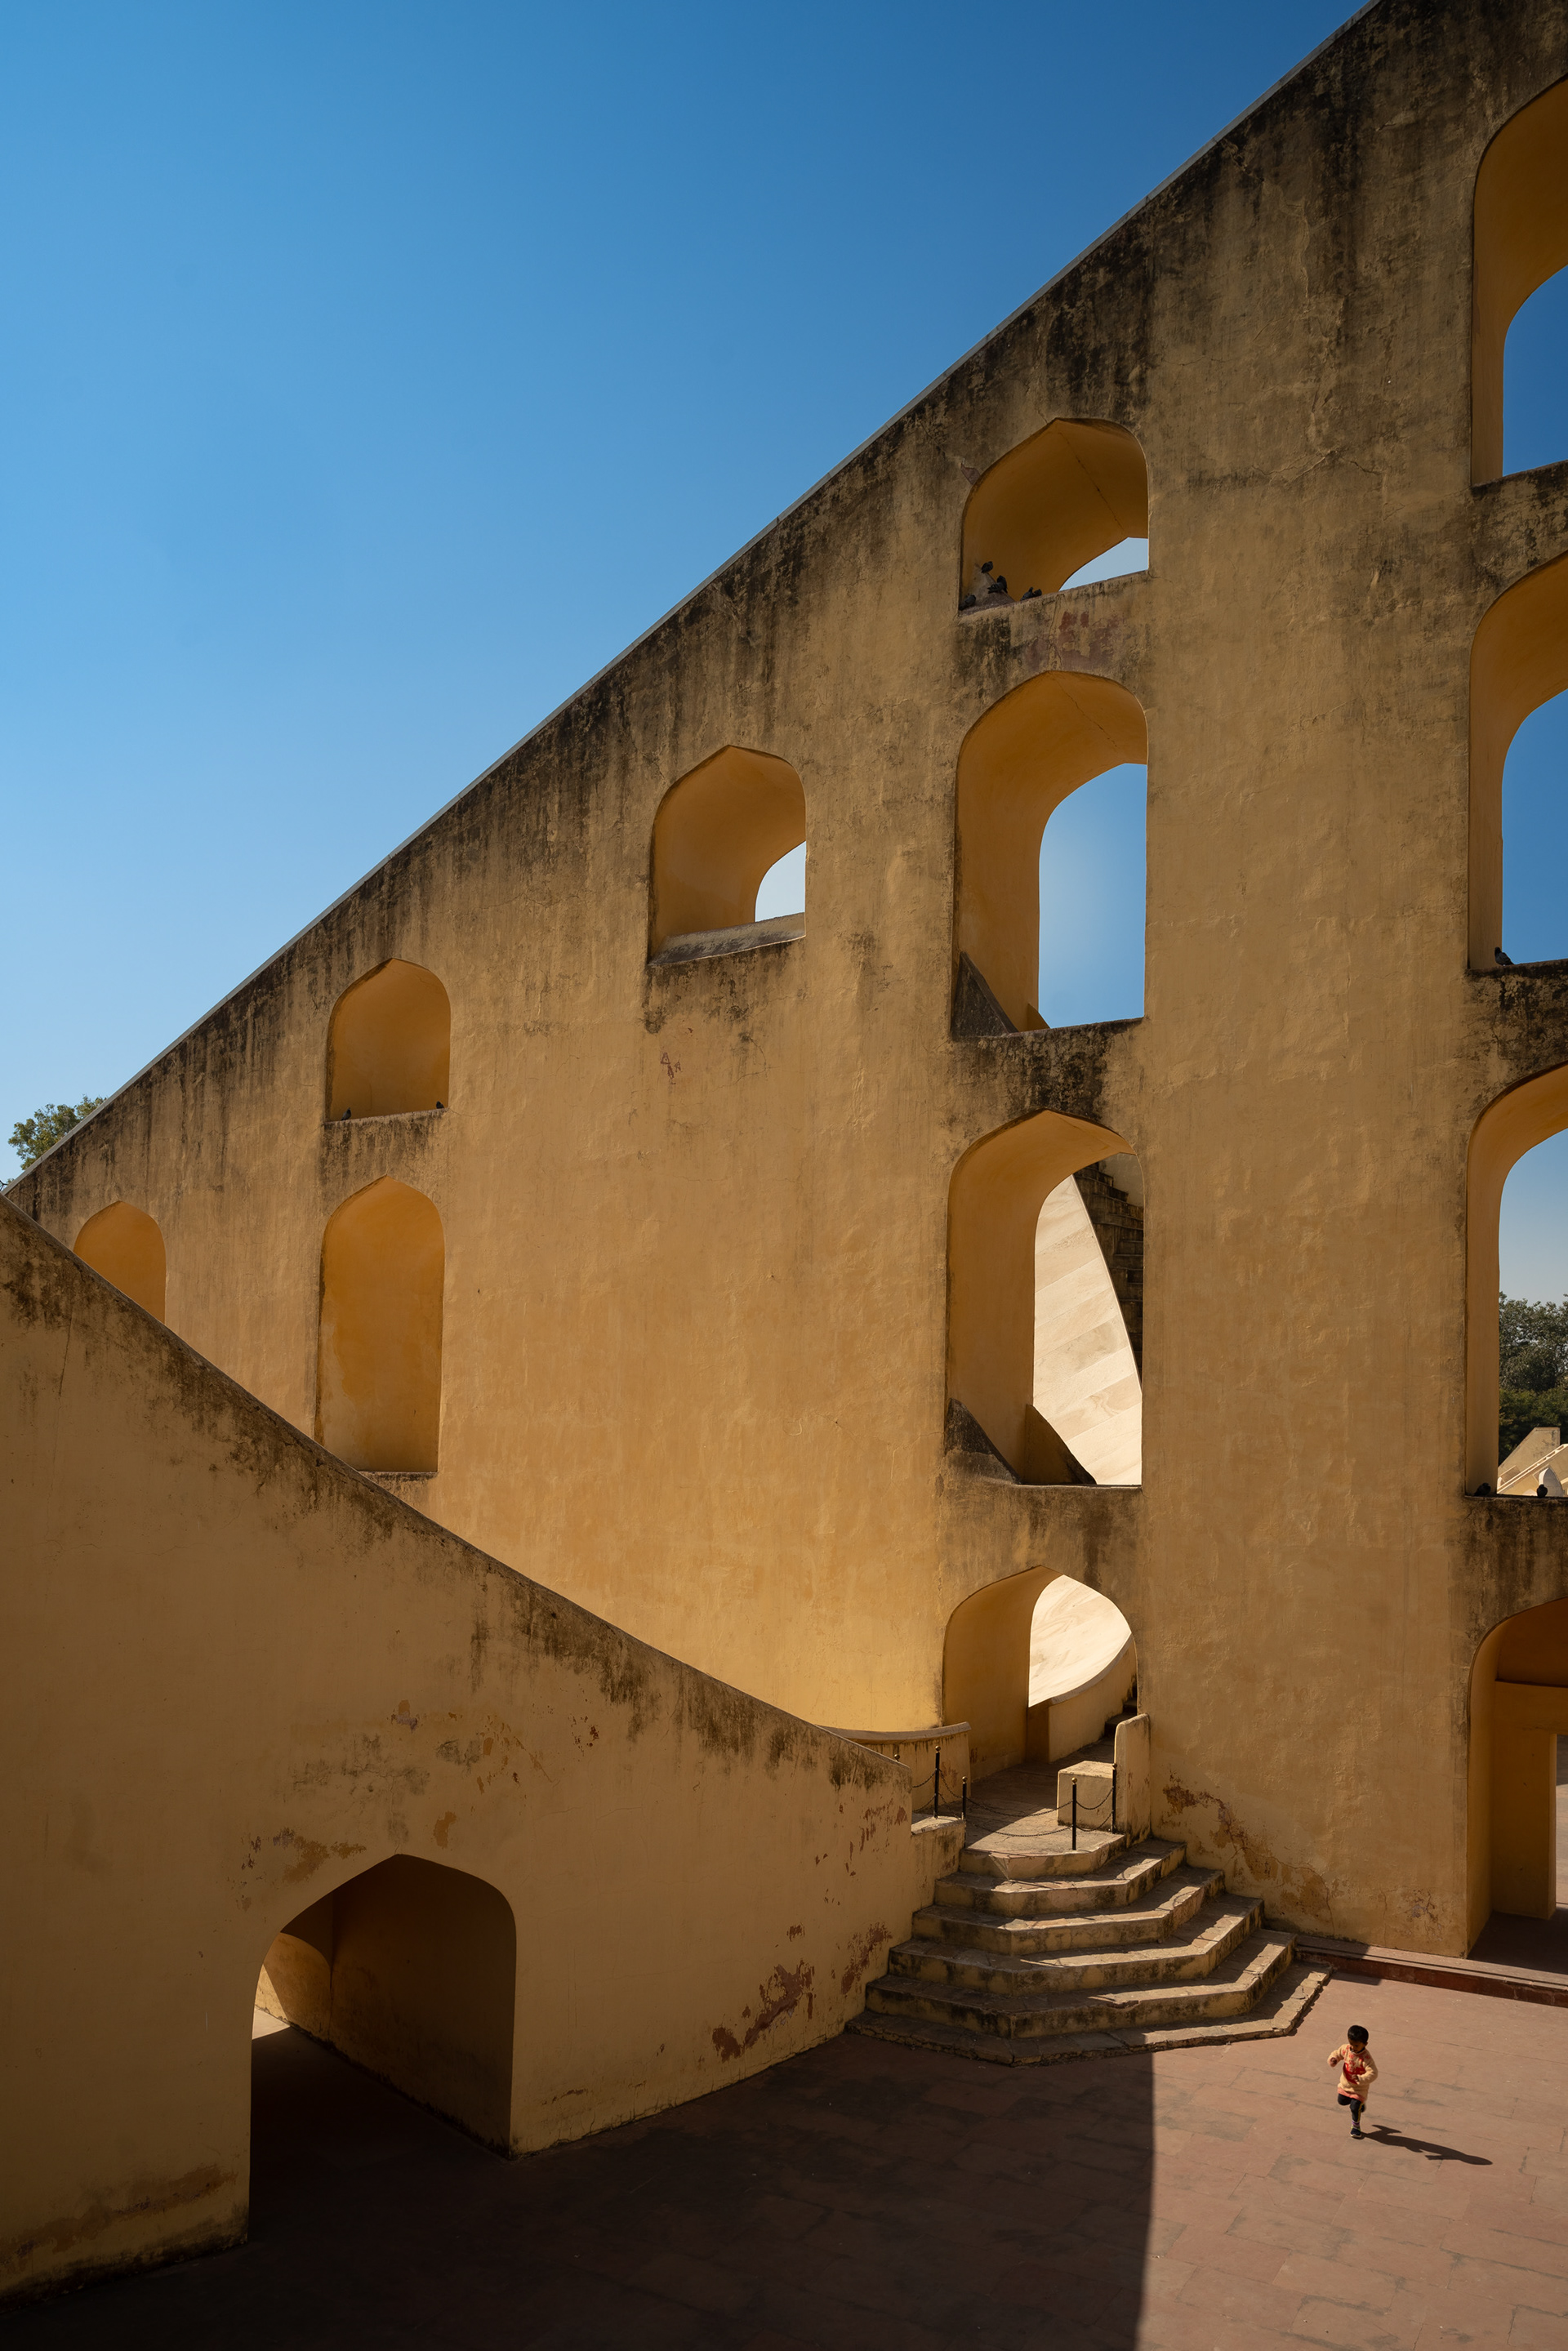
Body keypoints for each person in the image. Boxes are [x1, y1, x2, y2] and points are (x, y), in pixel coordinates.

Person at [1327, 2025, 1377, 2136]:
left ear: (1365, 2044)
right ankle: (1360, 2105)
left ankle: (1356, 2127)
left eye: (1357, 2045)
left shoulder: (1366, 2058)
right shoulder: (1345, 2049)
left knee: (1354, 2108)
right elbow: (1337, 2053)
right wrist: (1333, 2059)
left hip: (1359, 2089)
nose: (1353, 2048)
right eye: (1351, 2044)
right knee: (1342, 2101)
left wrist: (1360, 2078)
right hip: (1346, 2085)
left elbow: (1373, 2073)